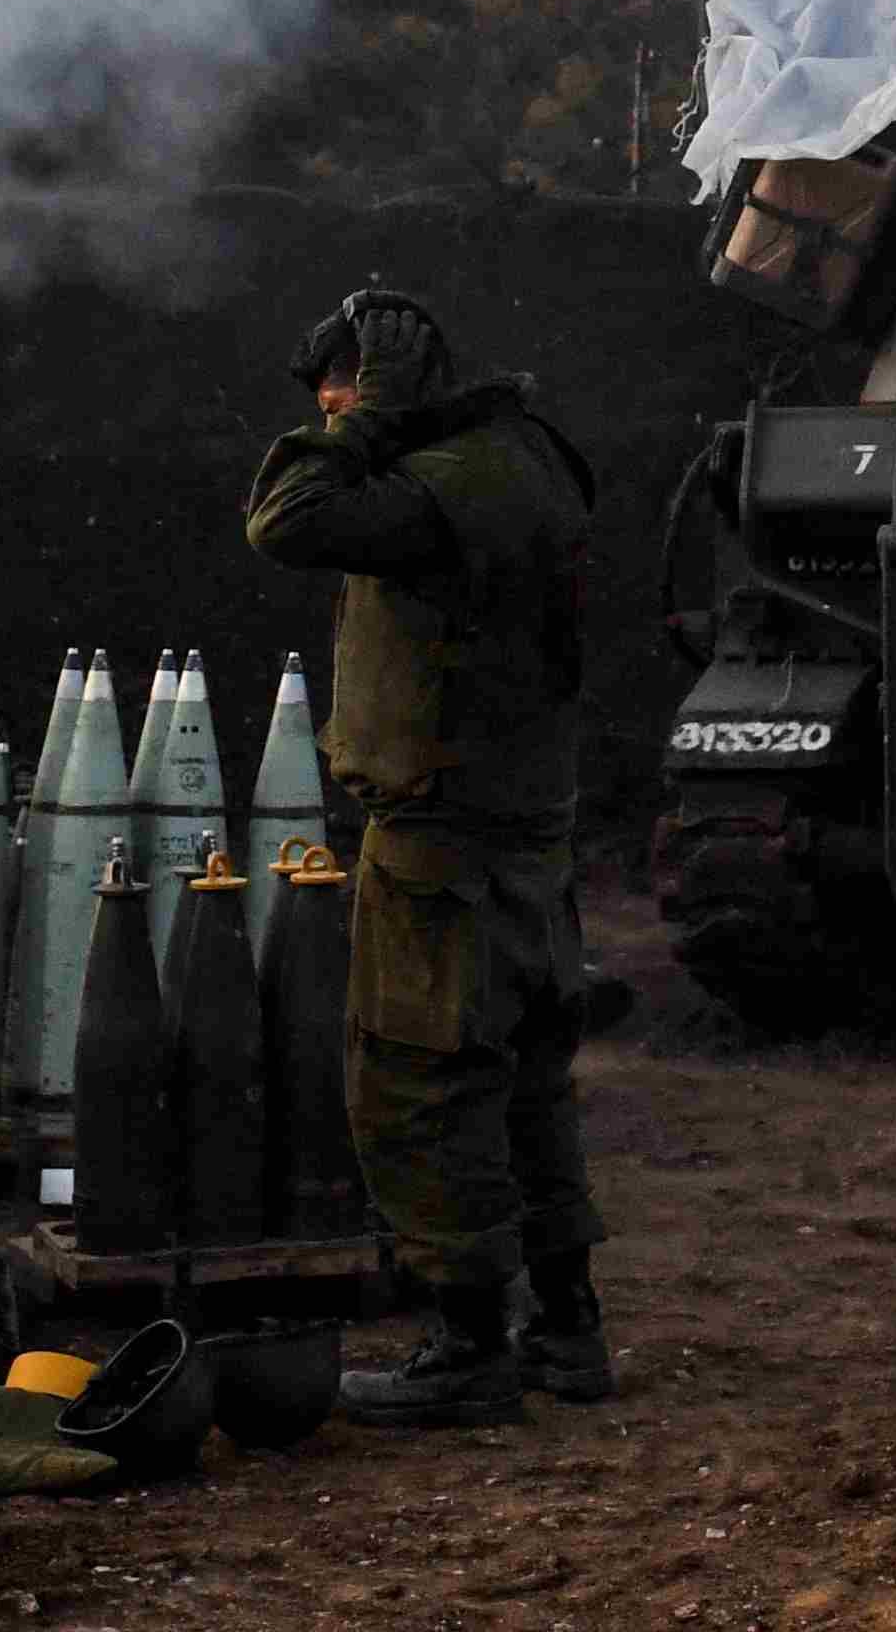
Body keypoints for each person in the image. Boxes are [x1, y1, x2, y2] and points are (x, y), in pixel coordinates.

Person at [245, 287, 611, 1424]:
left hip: (444, 843)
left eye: (340, 391)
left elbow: (286, 520)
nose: (335, 414)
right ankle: (568, 1330)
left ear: (395, 383)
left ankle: (466, 1349)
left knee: (420, 1085)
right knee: (527, 1089)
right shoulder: (527, 455)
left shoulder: (443, 486)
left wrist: (364, 427)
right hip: (527, 834)